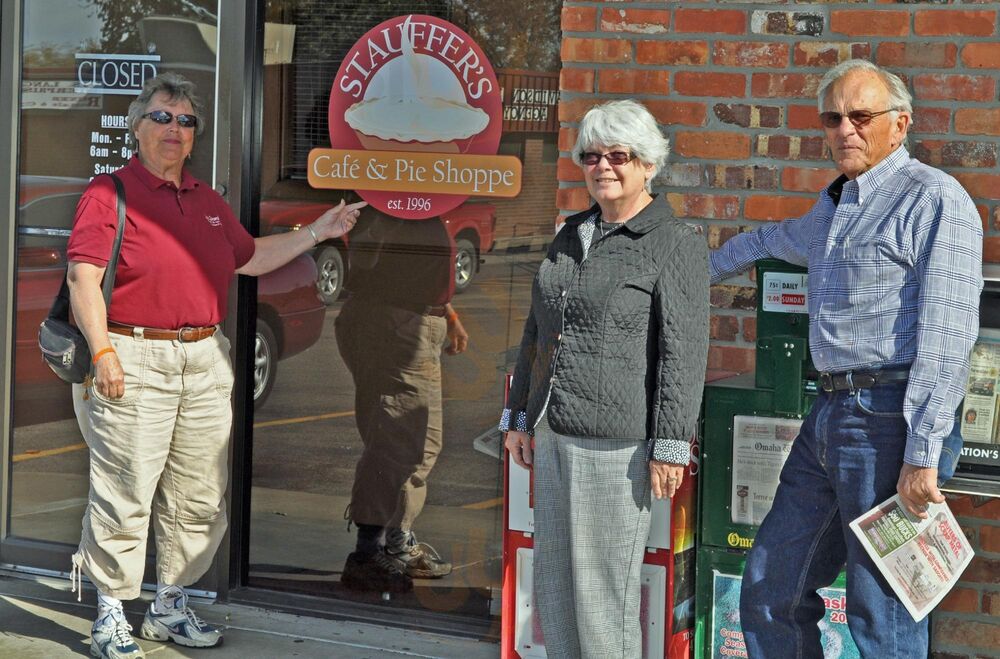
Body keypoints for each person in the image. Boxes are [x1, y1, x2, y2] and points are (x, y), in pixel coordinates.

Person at [66, 72, 363, 659]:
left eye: (185, 121)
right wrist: (102, 352)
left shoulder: (206, 201)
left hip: (204, 358)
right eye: (162, 116)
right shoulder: (110, 193)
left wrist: (317, 232)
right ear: (137, 126)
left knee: (197, 496)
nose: (174, 129)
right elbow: (82, 279)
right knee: (125, 491)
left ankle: (168, 606)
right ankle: (110, 615)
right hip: (133, 353)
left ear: (195, 136)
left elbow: (250, 257)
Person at [710, 59, 983, 657]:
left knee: (881, 616)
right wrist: (686, 273)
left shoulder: (935, 201)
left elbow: (948, 334)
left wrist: (922, 454)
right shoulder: (835, 206)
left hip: (892, 419)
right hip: (831, 412)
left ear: (900, 124)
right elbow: (769, 240)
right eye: (832, 119)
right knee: (768, 592)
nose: (845, 130)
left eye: (861, 116)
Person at [500, 99, 709, 658]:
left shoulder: (675, 243)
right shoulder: (571, 233)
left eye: (617, 155)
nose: (602, 167)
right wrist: (518, 415)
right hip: (554, 432)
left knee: (603, 599)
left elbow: (683, 356)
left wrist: (669, 446)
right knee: (555, 588)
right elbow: (536, 331)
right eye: (591, 156)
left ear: (647, 164)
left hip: (617, 448)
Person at [335, 211, 469, 594]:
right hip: (394, 325)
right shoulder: (390, 198)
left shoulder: (423, 198)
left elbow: (413, 271)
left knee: (421, 442)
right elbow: (369, 263)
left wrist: (447, 313)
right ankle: (366, 553)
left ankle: (396, 540)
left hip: (411, 321)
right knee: (395, 441)